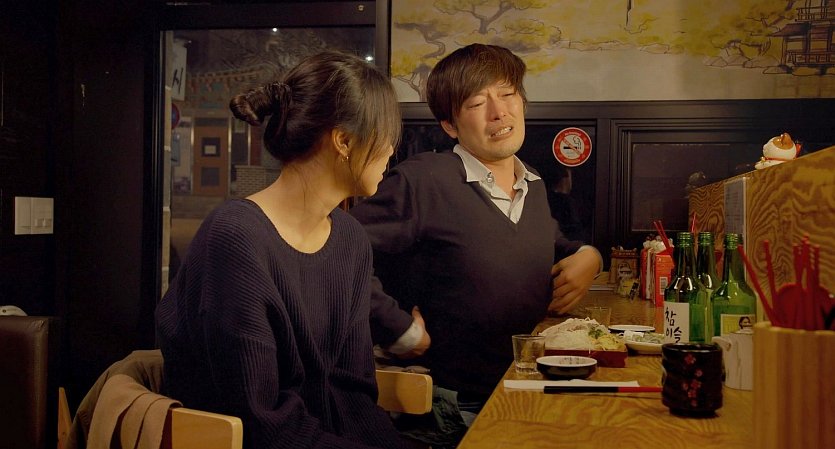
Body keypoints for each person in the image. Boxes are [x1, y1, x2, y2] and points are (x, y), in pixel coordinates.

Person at [350, 43, 601, 447]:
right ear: (450, 125)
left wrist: (589, 256)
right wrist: (395, 327)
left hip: (525, 387)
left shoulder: (532, 183)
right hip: (452, 408)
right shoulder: (424, 179)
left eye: (507, 94)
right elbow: (336, 249)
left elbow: (544, 243)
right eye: (477, 103)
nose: (499, 112)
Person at [155, 51, 410, 449]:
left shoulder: (350, 239)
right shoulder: (236, 239)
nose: (392, 149)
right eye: (385, 134)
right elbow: (261, 422)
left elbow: (355, 392)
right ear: (343, 140)